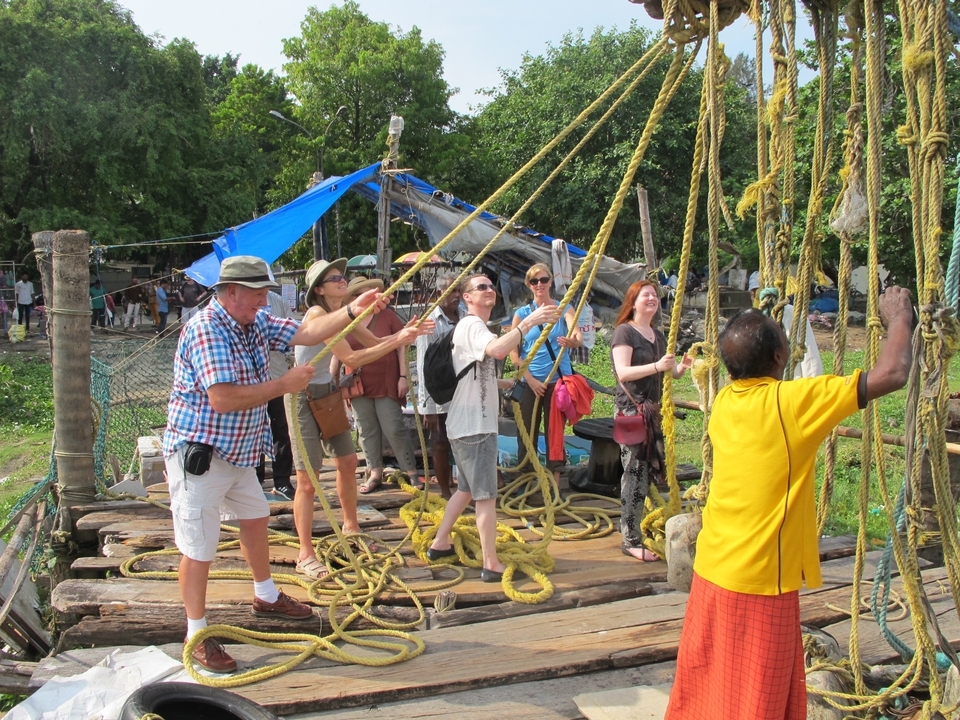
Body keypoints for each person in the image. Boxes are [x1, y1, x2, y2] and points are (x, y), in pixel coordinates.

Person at [664, 287, 914, 719]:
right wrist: (898, 318)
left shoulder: (725, 401)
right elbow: (893, 372)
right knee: (761, 695)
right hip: (761, 580)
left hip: (714, 568)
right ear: (781, 358)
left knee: (709, 686)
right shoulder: (792, 404)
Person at [163, 254, 389, 673]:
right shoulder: (207, 329)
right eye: (258, 294)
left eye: (267, 293)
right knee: (198, 548)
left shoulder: (253, 320)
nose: (265, 302)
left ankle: (265, 595)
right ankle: (196, 633)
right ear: (231, 293)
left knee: (255, 517)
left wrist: (353, 310)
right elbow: (222, 398)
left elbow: (306, 330)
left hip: (238, 452)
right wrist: (283, 385)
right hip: (202, 454)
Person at [285, 260, 434, 580]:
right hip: (303, 396)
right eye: (333, 278)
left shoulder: (343, 317)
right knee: (308, 480)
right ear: (319, 290)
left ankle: (351, 528)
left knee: (349, 461)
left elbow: (375, 345)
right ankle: (305, 553)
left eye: (342, 276)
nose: (342, 281)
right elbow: (352, 358)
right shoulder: (318, 316)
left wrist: (404, 335)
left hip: (328, 393)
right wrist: (399, 340)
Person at [427, 274, 560, 582]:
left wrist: (500, 382)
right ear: (467, 298)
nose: (489, 290)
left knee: (467, 490)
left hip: (466, 424)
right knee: (486, 495)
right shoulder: (472, 325)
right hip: (474, 428)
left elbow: (476, 367)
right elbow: (499, 351)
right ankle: (491, 563)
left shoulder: (475, 328)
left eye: (490, 286)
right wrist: (528, 323)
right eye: (480, 287)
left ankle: (440, 542)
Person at [611, 280, 693, 562]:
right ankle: (630, 539)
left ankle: (633, 529)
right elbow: (623, 372)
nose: (652, 298)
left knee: (644, 475)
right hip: (633, 414)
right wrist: (657, 366)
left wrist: (680, 368)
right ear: (633, 302)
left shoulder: (657, 335)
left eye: (655, 295)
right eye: (645, 295)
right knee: (633, 475)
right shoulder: (625, 332)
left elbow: (666, 374)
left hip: (652, 413)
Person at [344, 276, 422, 494]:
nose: (369, 297)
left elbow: (401, 345)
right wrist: (334, 382)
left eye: (371, 292)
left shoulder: (387, 316)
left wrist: (404, 377)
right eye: (362, 293)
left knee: (394, 427)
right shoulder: (347, 321)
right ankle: (374, 472)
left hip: (386, 380)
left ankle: (411, 471)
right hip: (358, 382)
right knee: (366, 429)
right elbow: (337, 352)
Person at [507, 263, 582, 483]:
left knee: (555, 433)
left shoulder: (564, 308)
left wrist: (572, 341)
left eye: (543, 280)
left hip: (557, 381)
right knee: (527, 432)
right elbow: (514, 354)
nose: (539, 285)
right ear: (529, 285)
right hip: (530, 381)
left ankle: (554, 483)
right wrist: (529, 380)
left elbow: (577, 335)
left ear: (550, 282)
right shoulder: (521, 315)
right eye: (534, 281)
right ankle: (527, 480)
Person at [415, 272, 462, 499]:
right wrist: (428, 406)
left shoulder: (466, 317)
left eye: (458, 290)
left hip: (463, 393)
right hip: (440, 394)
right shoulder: (429, 323)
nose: (456, 295)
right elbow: (423, 365)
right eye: (451, 290)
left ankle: (463, 489)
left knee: (464, 441)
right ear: (439, 293)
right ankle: (445, 491)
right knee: (440, 443)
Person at [256, 290, 296, 499]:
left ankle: (282, 481)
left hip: (277, 375)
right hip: (250, 382)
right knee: (253, 429)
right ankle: (255, 479)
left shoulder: (277, 301)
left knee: (280, 428)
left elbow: (291, 336)